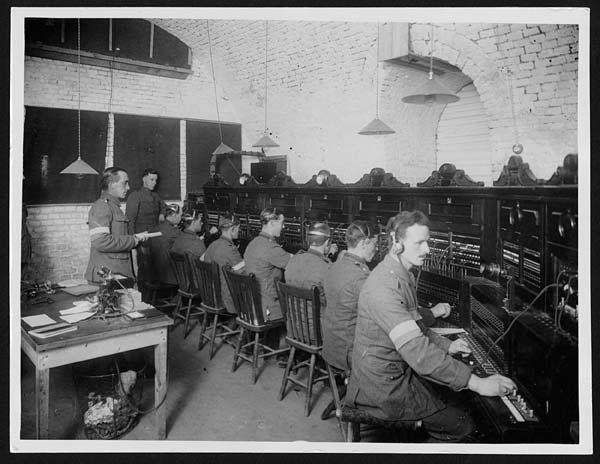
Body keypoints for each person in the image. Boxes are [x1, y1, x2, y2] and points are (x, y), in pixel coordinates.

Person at [346, 211, 516, 443]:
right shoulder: (384, 289)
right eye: (419, 243)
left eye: (428, 241)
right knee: (464, 424)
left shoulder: (401, 274)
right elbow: (418, 352)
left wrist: (449, 347)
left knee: (457, 398)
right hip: (383, 389)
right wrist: (477, 383)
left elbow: (417, 327)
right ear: (396, 243)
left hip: (394, 374)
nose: (427, 249)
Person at [321, 221, 377, 373]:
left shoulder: (333, 267)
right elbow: (382, 311)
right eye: (375, 244)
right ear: (365, 243)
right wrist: (431, 313)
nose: (376, 249)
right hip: (348, 353)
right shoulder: (359, 276)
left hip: (330, 348)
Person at [85, 167, 147, 283]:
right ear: (112, 184)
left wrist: (137, 239)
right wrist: (133, 240)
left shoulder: (113, 207)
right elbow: (101, 242)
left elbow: (118, 237)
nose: (128, 188)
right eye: (125, 183)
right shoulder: (102, 206)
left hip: (116, 274)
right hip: (107, 277)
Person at [243, 207, 292, 322]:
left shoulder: (253, 243)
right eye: (282, 223)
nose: (283, 227)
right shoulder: (270, 248)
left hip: (250, 306)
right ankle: (287, 338)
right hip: (268, 309)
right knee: (302, 309)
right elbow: (295, 265)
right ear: (271, 223)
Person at [202, 213, 245, 314]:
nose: (239, 231)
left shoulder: (213, 245)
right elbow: (244, 275)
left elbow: (201, 259)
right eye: (238, 228)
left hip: (210, 296)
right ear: (232, 229)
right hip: (227, 300)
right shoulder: (231, 250)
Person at [148, 203, 183, 285]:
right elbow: (186, 243)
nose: (181, 219)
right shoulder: (174, 232)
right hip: (169, 277)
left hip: (153, 274)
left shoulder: (155, 228)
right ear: (174, 215)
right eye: (180, 215)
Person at [125, 168, 166, 234]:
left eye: (156, 180)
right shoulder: (135, 195)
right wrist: (132, 239)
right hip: (141, 235)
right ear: (144, 179)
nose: (154, 183)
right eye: (152, 180)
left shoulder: (156, 196)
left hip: (155, 233)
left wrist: (162, 214)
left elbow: (164, 207)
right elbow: (130, 220)